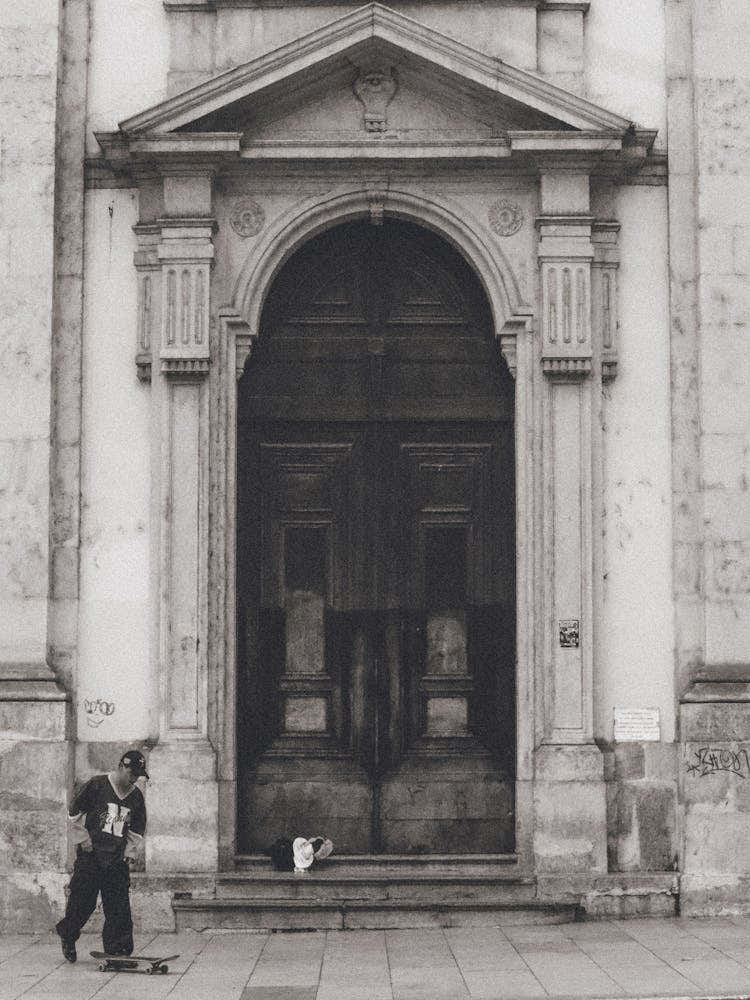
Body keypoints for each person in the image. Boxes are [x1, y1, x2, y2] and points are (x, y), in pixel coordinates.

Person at [55, 749, 148, 963]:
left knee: (119, 906)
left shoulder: (135, 797)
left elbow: (137, 828)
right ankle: (68, 934)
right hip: (91, 856)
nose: (134, 779)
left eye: (138, 776)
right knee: (82, 902)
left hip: (116, 859)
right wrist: (83, 839)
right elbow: (73, 812)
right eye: (132, 773)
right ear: (122, 767)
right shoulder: (96, 785)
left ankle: (119, 949)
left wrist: (130, 851)